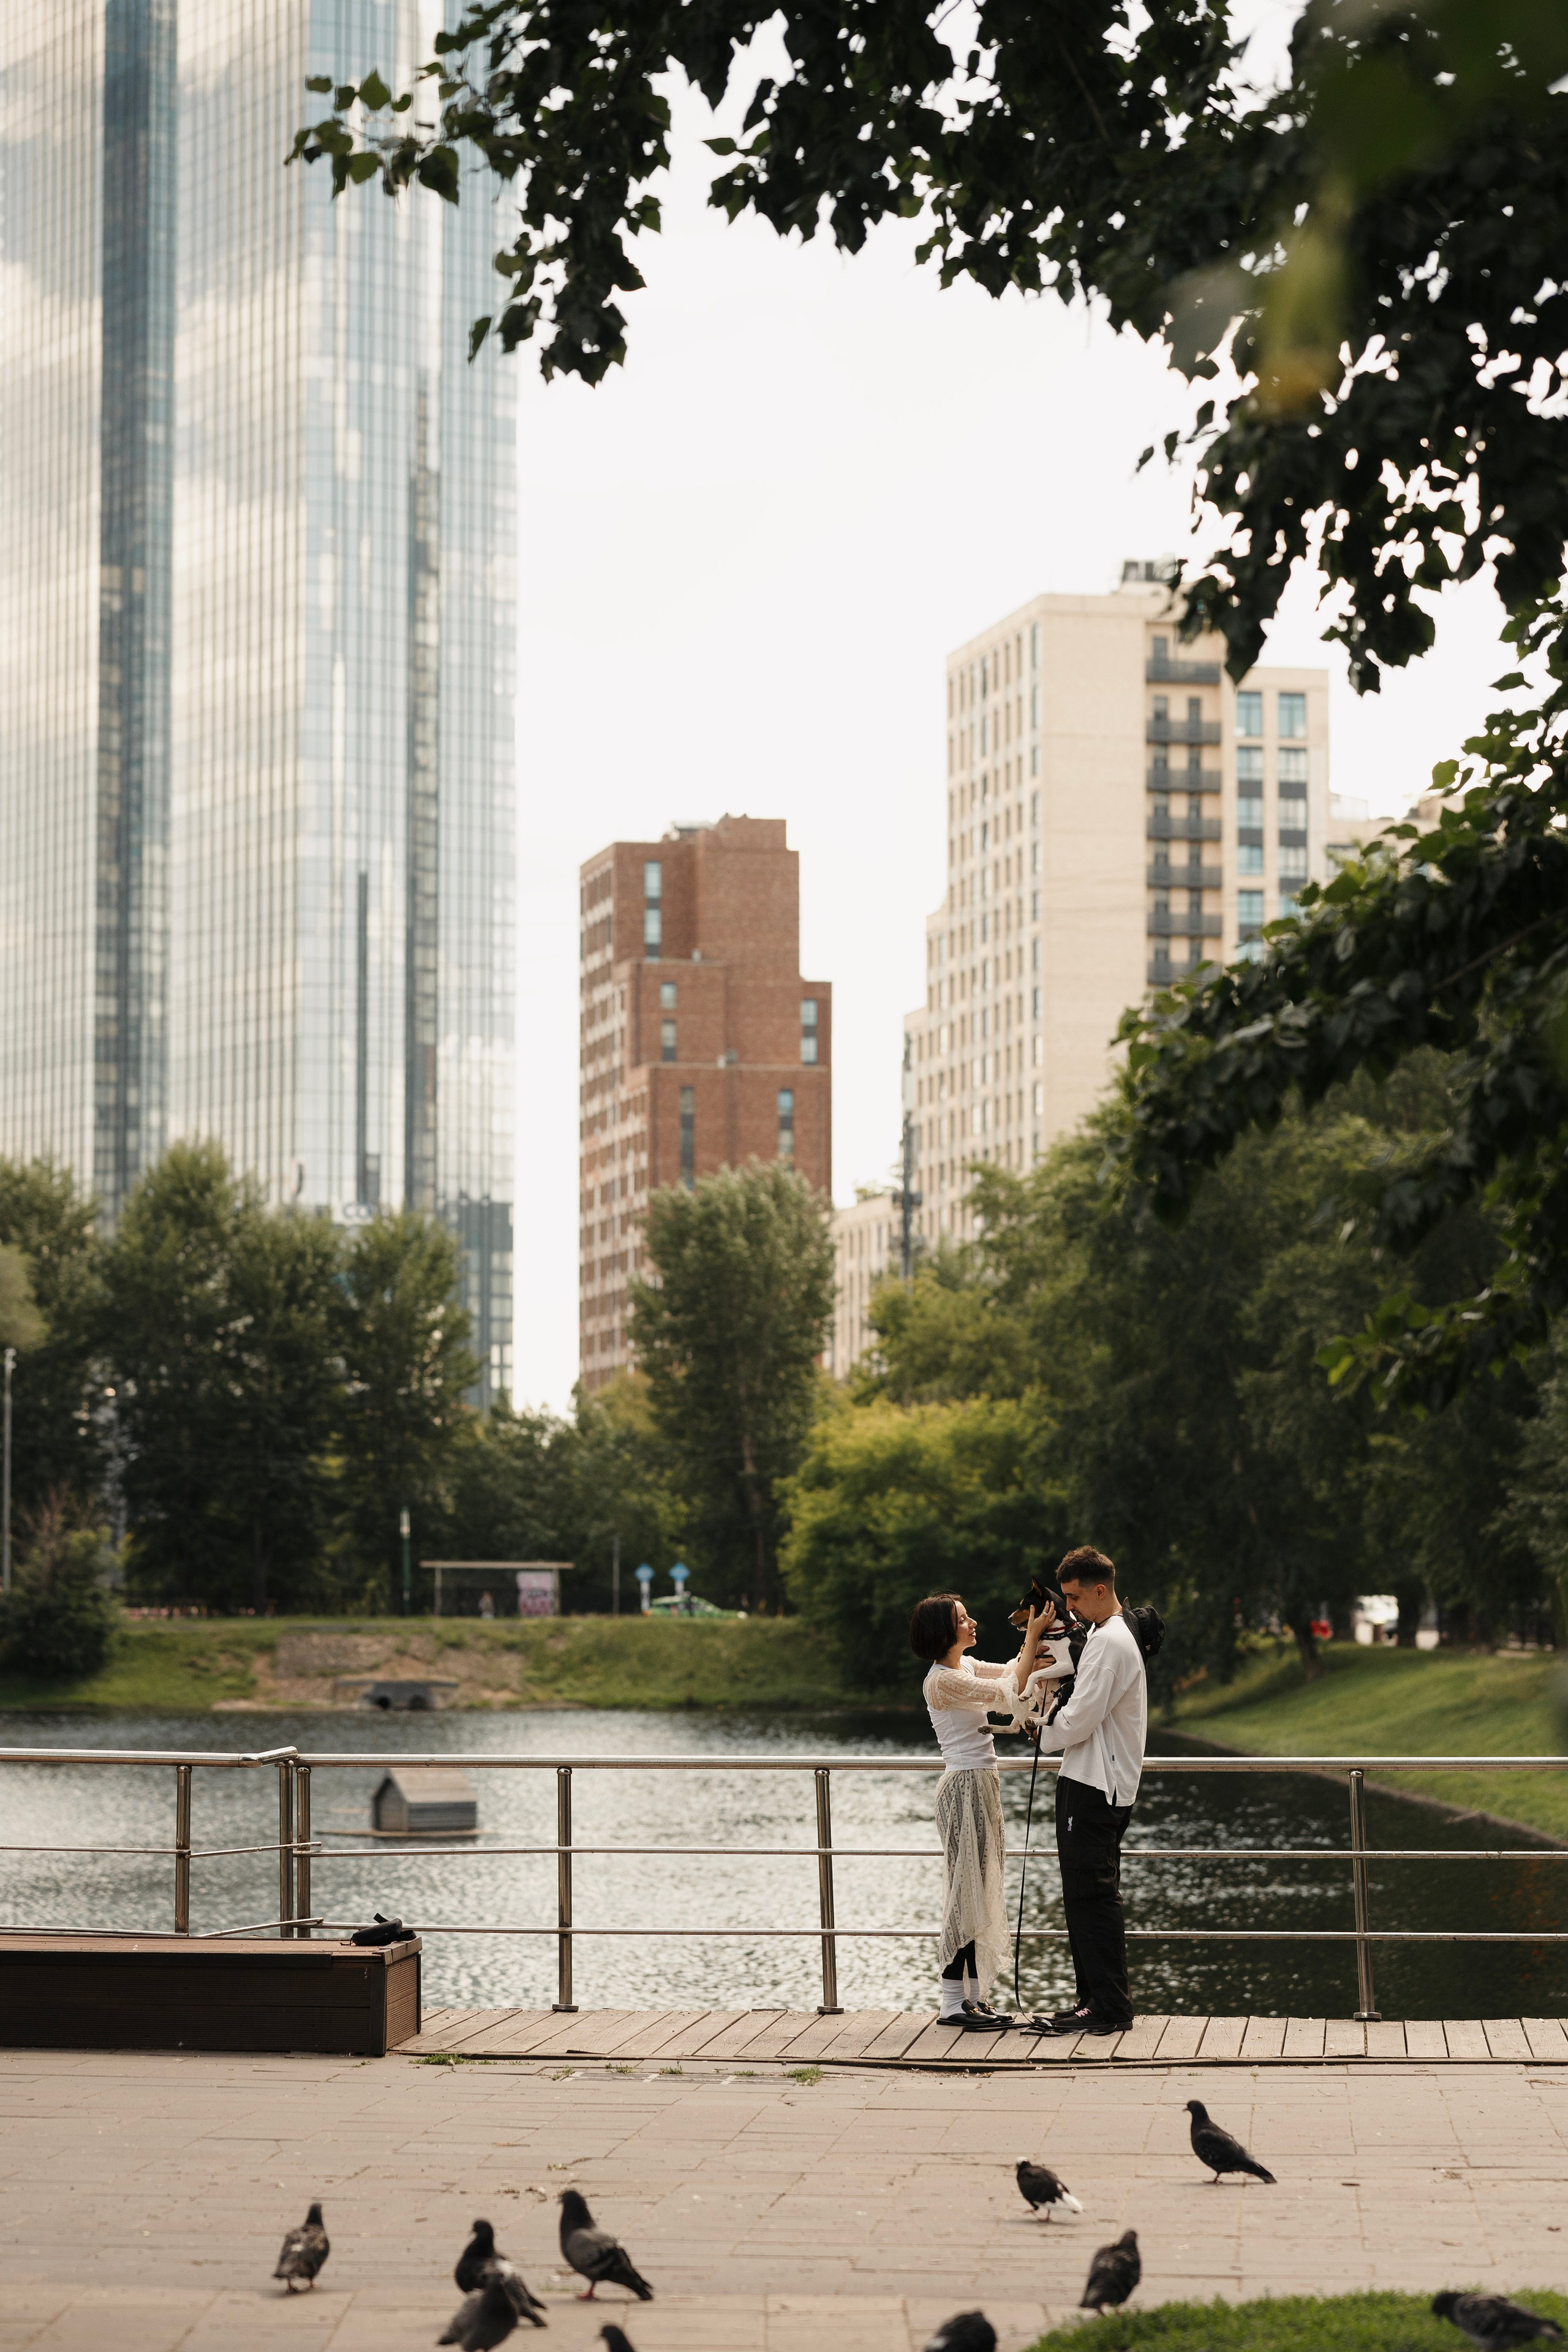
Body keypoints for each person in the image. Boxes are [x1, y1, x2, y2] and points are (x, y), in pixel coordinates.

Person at [908, 1591, 1050, 2032]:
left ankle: (973, 1999)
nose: (973, 1624)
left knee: (979, 1889)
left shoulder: (963, 1667)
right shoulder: (942, 1681)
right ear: (944, 1632)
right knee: (965, 1893)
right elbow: (1009, 1693)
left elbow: (1010, 1671)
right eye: (963, 1619)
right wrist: (1033, 1636)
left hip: (981, 1785)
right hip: (964, 1787)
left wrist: (1036, 1644)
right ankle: (952, 2004)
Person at [1033, 1545, 1148, 2038]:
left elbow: (1079, 1718)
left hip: (1096, 1784)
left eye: (1076, 1597)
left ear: (1101, 1590)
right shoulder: (1107, 1635)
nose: (1070, 1608)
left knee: (1091, 1895)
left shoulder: (1110, 1642)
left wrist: (1039, 1732)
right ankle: (1093, 2002)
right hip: (1096, 1780)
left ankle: (1109, 2006)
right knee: (1083, 1895)